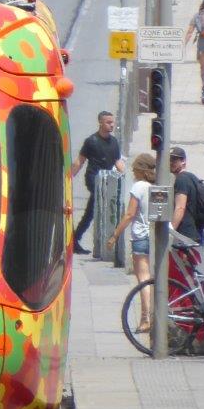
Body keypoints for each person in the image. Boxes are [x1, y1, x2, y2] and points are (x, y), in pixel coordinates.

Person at [107, 152, 157, 332]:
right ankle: (155, 316)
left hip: (141, 237)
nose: (133, 171)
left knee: (143, 280)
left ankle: (146, 319)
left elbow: (130, 214)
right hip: (156, 237)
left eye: (135, 167)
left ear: (141, 169)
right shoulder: (156, 186)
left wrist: (115, 235)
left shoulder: (139, 187)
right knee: (155, 279)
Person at [69, 110, 126, 254]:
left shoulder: (113, 142)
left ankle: (75, 240)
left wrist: (125, 175)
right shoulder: (91, 141)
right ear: (100, 122)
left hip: (108, 179)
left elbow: (118, 161)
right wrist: (68, 178)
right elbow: (80, 161)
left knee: (92, 212)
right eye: (108, 122)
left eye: (112, 122)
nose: (111, 125)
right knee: (97, 207)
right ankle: (80, 241)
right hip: (93, 178)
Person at [168, 146, 204, 250]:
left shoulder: (181, 179)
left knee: (183, 266)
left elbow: (180, 207)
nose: (171, 162)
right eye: (169, 159)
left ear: (183, 161)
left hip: (185, 236)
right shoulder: (192, 177)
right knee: (193, 266)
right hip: (196, 232)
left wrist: (171, 231)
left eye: (174, 159)